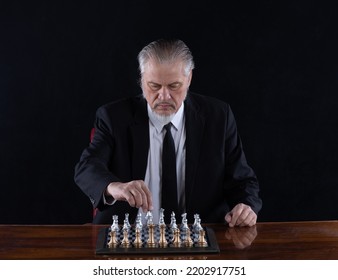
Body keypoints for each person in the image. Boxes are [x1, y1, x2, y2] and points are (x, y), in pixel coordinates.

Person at [74, 38, 262, 227]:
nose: (164, 96)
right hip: (129, 238)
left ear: (189, 79)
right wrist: (114, 187)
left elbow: (243, 181)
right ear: (141, 79)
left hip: (200, 238)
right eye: (154, 86)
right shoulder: (113, 117)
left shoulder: (218, 117)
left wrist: (246, 206)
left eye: (174, 86)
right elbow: (87, 168)